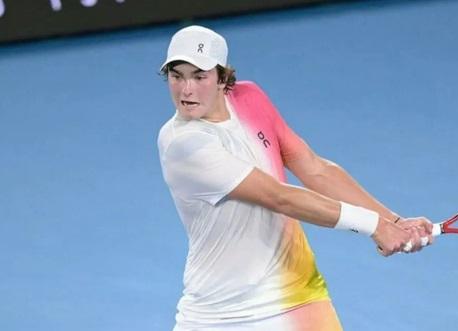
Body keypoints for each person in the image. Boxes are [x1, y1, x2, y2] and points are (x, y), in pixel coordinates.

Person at [157, 25, 434, 331]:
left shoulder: (249, 98)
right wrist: (374, 226)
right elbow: (280, 197)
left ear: (223, 78)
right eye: (176, 75)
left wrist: (392, 221)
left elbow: (314, 168)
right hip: (220, 316)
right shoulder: (183, 144)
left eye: (199, 76)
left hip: (299, 295)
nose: (186, 90)